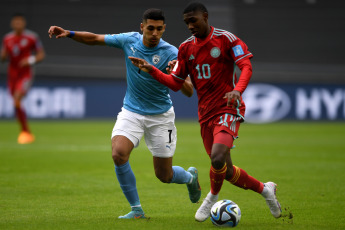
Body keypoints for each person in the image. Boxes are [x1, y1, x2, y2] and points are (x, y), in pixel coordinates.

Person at [128, 2, 282, 222]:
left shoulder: (226, 39)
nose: (190, 25)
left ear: (205, 17)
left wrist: (237, 91)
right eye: (186, 22)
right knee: (226, 170)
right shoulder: (185, 48)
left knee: (217, 157)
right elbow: (175, 83)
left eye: (194, 20)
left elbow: (246, 66)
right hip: (205, 114)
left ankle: (212, 197)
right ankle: (266, 190)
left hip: (228, 108)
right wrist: (151, 69)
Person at [48, 8, 201, 219]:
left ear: (164, 29)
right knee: (118, 154)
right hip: (132, 112)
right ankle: (136, 210)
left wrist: (174, 74)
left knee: (164, 175)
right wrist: (69, 33)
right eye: (150, 28)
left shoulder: (173, 53)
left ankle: (190, 178)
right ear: (142, 27)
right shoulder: (129, 40)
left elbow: (189, 90)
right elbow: (95, 39)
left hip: (161, 117)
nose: (154, 33)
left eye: (159, 29)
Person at [1, 13, 45, 144]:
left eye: (20, 22)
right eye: (16, 22)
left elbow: (41, 55)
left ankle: (26, 132)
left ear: (24, 23)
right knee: (16, 103)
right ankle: (24, 131)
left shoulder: (31, 37)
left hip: (25, 73)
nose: (18, 24)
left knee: (17, 98)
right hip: (12, 74)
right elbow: (3, 57)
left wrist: (30, 60)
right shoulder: (7, 39)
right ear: (12, 24)